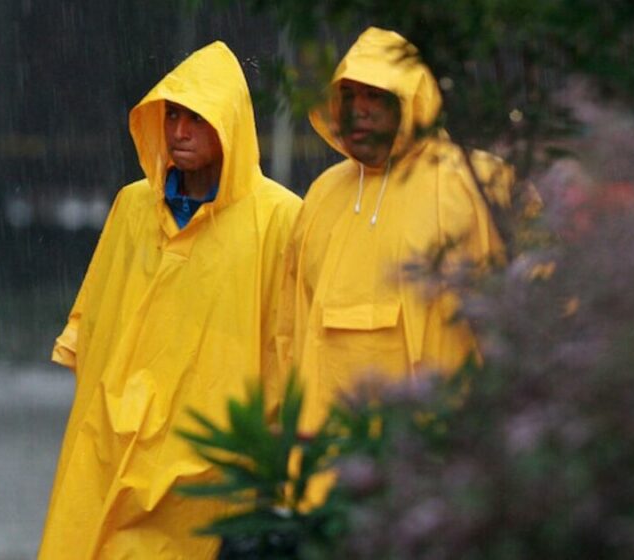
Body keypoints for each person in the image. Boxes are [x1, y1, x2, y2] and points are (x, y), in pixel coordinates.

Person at [38, 41, 301, 559]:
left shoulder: (280, 219)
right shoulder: (134, 206)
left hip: (207, 459)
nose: (179, 132)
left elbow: (286, 345)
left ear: (230, 124)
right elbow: (94, 321)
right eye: (172, 115)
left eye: (197, 119)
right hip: (115, 439)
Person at [277, 27, 526, 437]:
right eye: (349, 96)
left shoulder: (477, 180)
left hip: (443, 446)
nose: (359, 110)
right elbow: (289, 324)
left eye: (375, 96)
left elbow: (536, 304)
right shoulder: (322, 194)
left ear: (412, 101)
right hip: (331, 452)